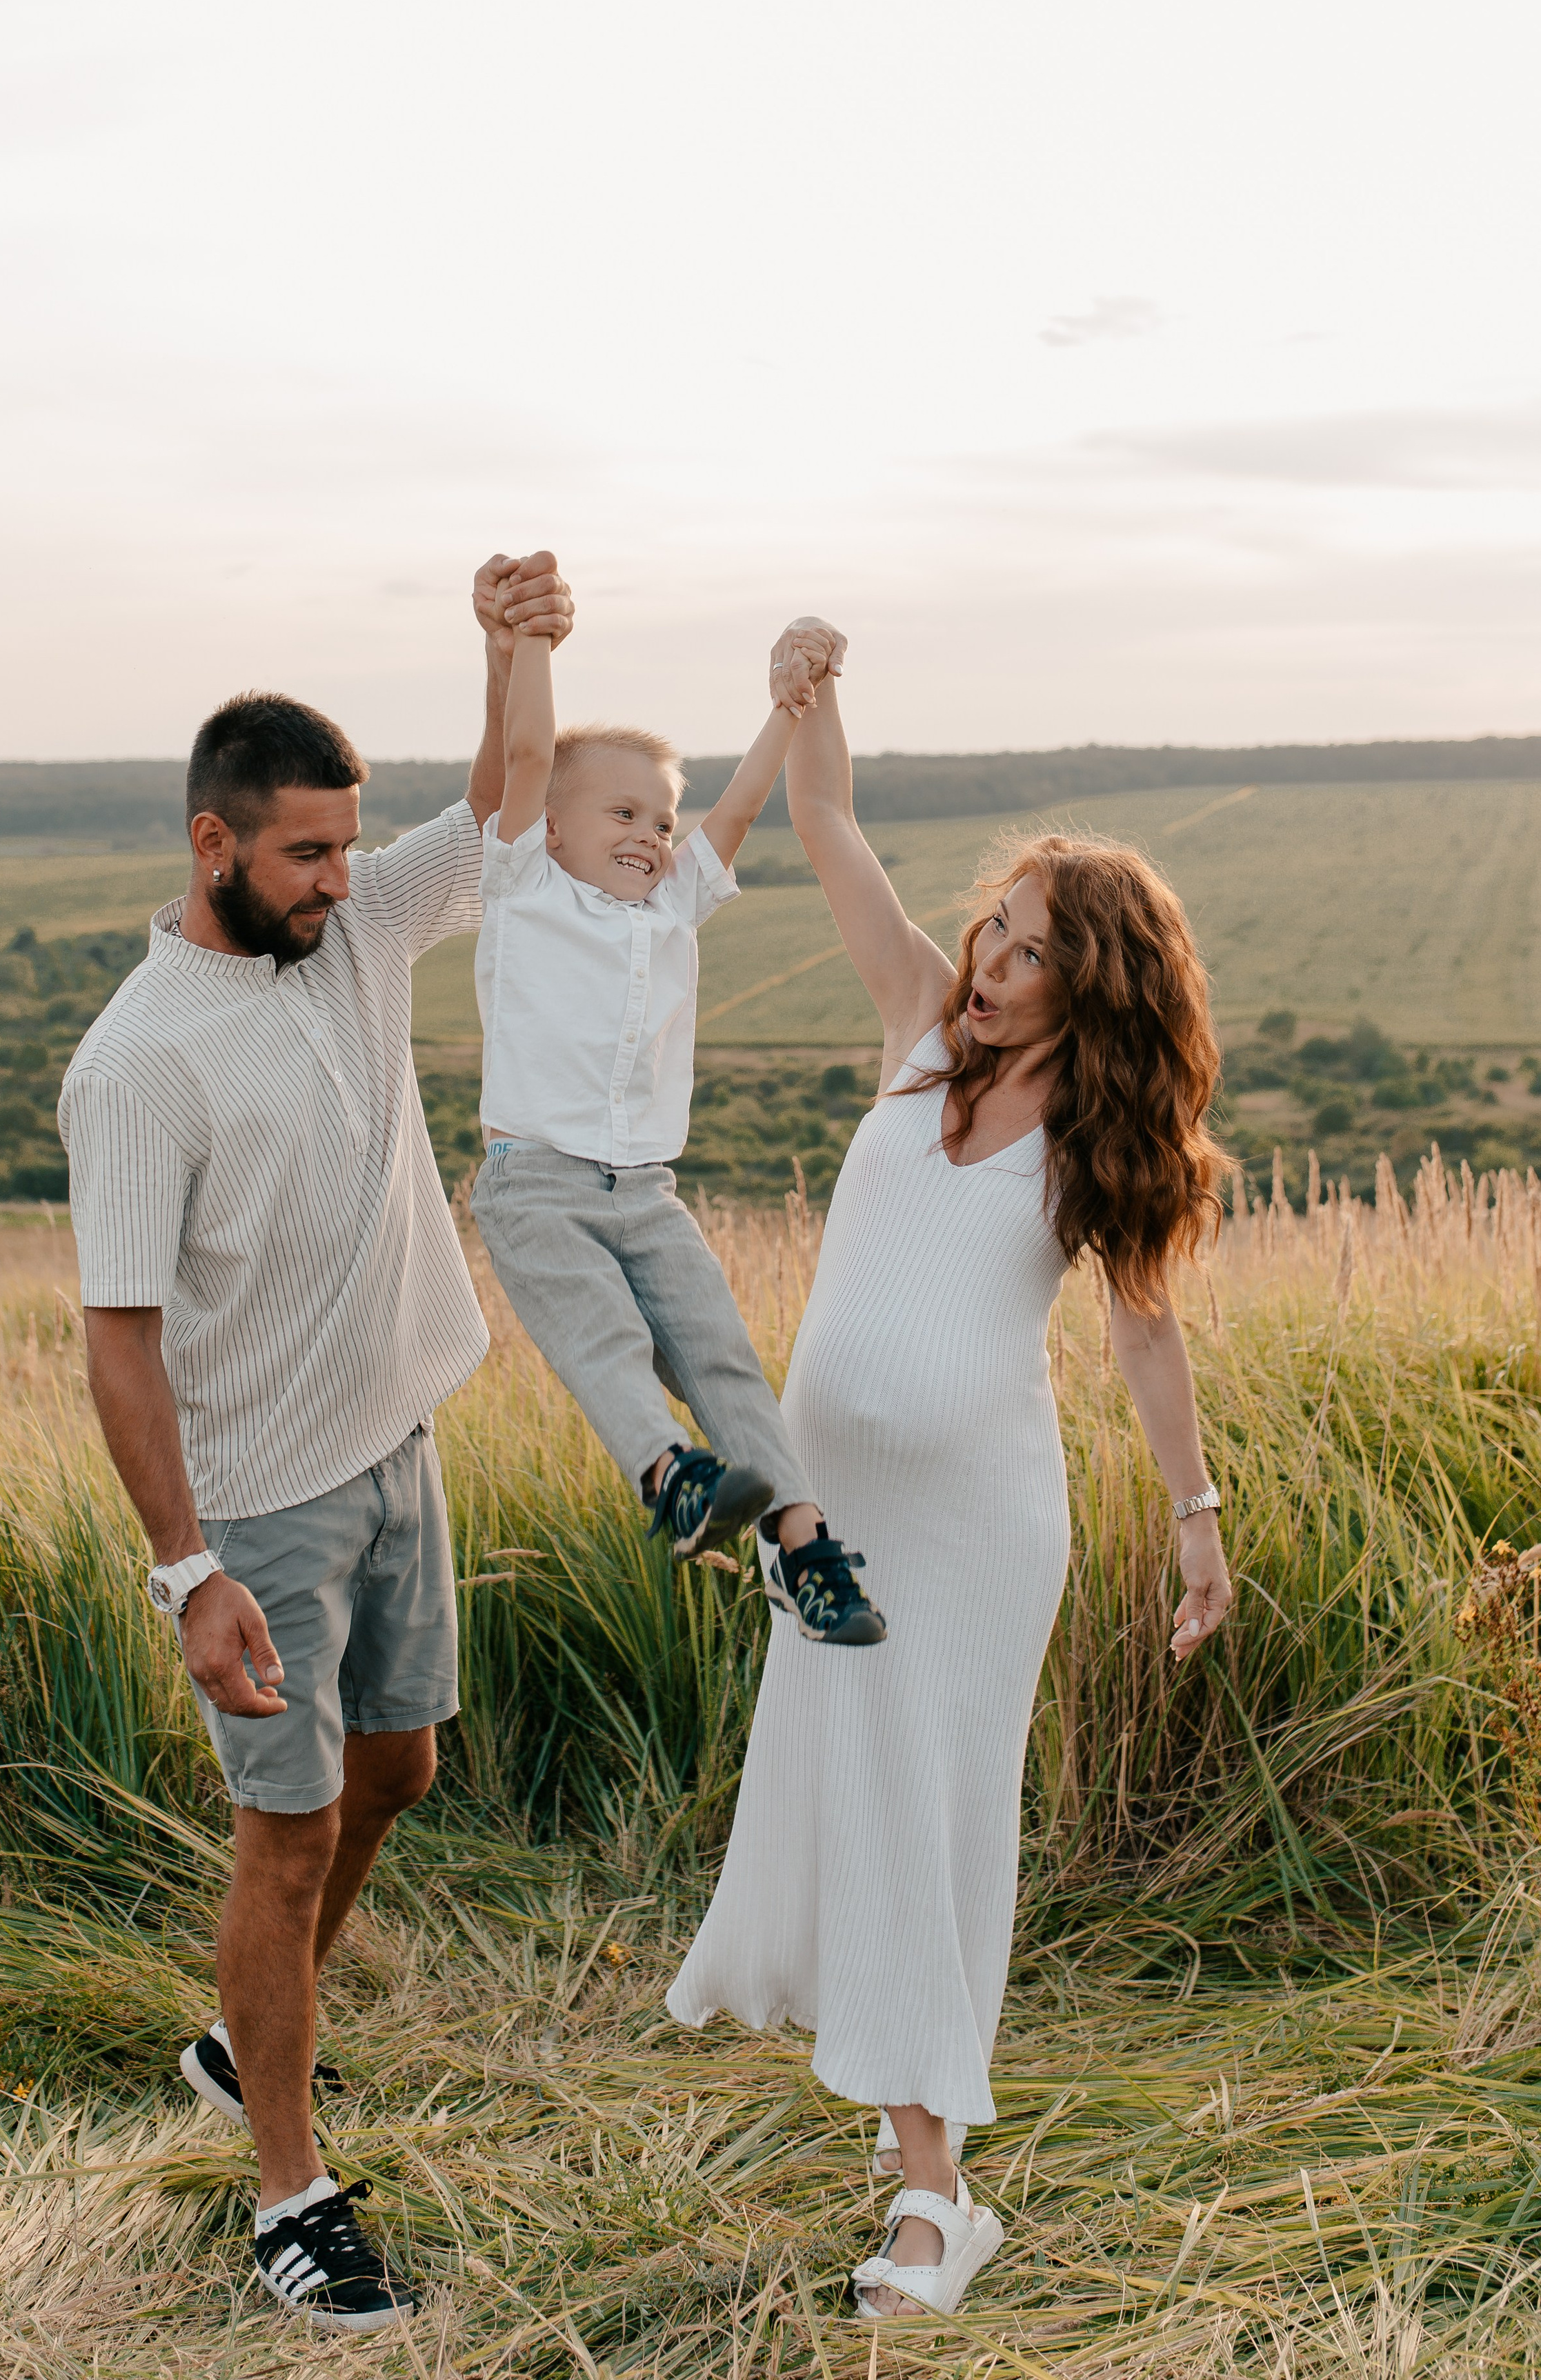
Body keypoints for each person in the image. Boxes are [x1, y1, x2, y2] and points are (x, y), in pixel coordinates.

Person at [667, 625, 1235, 2321]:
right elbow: (829, 825)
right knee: (859, 1808)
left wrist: (1196, 1526)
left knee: (926, 1827)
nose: (988, 959)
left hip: (975, 1535)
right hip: (827, 1518)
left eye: (1030, 951)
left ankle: (935, 2198)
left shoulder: (1098, 1147)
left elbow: (1142, 1341)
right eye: (992, 925)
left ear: (1098, 982)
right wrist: (802, 690)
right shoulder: (921, 1030)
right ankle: (907, 2123)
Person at [58, 554, 572, 2337]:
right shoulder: (138, 1065)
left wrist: (516, 649)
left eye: (350, 850)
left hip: (394, 1449)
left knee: (402, 1772)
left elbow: (508, 802)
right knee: (279, 1847)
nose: (345, 883)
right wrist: (190, 1569)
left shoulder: (351, 935)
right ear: (214, 848)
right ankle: (287, 2194)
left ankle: (239, 2026)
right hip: (261, 1507)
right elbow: (119, 1343)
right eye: (307, 857)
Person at [467, 605, 885, 1643]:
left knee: (724, 1357)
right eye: (622, 816)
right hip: (539, 1187)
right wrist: (529, 644)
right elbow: (526, 752)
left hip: (647, 1194)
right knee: (603, 1338)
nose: (650, 838)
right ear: (549, 827)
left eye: (659, 822)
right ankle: (670, 1475)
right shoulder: (521, 887)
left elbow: (740, 811)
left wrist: (789, 705)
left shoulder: (669, 912)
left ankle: (804, 1548)